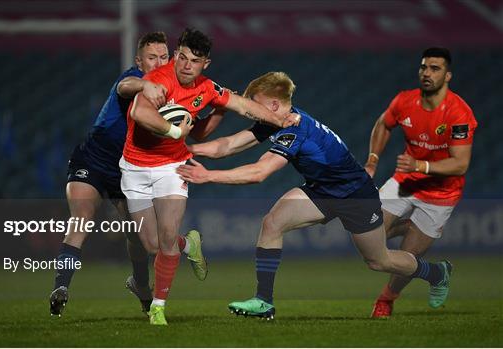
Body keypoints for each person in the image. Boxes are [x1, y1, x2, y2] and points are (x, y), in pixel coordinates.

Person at [177, 71, 453, 320]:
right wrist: (187, 148)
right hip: (321, 191)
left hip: (355, 195)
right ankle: (263, 301)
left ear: (272, 105)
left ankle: (437, 273)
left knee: (379, 261)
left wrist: (209, 176)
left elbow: (259, 172)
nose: (250, 111)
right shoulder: (275, 120)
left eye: (254, 105)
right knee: (273, 222)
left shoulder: (295, 130)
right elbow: (227, 145)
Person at [123, 29, 300, 325]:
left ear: (206, 63)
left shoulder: (207, 88)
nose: (186, 65)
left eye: (195, 60)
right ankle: (189, 245)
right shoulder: (159, 79)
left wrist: (282, 119)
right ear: (176, 54)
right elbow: (141, 113)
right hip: (134, 168)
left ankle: (158, 307)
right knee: (152, 243)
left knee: (166, 238)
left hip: (172, 166)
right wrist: (175, 131)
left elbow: (243, 105)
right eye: (182, 57)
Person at [49, 32, 224, 317]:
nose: (158, 63)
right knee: (81, 216)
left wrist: (221, 110)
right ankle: (61, 287)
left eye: (164, 57)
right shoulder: (135, 79)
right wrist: (144, 83)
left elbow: (197, 127)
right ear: (139, 61)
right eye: (151, 57)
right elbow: (125, 86)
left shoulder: (174, 88)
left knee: (144, 240)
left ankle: (144, 284)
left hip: (127, 169)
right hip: (93, 160)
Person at [364, 47, 478, 318]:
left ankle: (386, 299)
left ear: (448, 75)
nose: (427, 73)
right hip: (405, 181)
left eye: (435, 68)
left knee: (403, 260)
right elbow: (383, 124)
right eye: (424, 67)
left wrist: (421, 165)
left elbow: (460, 163)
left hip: (441, 194)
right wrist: (372, 161)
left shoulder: (459, 113)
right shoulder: (405, 101)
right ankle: (408, 229)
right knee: (365, 232)